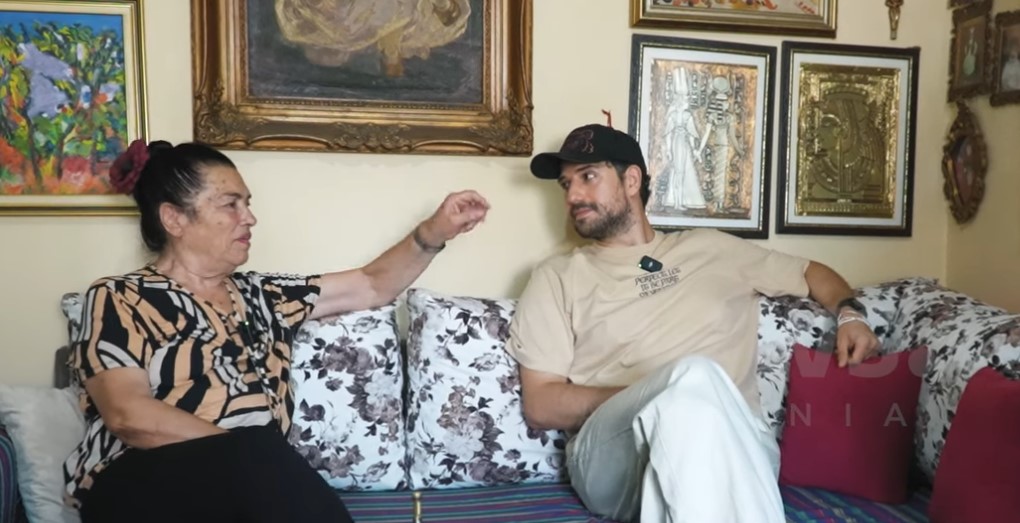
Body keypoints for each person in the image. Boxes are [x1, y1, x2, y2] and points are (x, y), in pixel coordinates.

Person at [63, 139, 489, 523]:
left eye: (247, 203)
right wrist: (247, 455)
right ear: (174, 218)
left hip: (247, 489)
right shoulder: (121, 296)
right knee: (261, 449)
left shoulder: (264, 295)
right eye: (230, 204)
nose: (249, 218)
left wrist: (434, 232)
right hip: (138, 484)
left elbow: (372, 284)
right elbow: (128, 415)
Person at [505, 123, 879, 523]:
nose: (573, 196)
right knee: (694, 377)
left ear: (631, 181)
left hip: (736, 441)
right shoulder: (558, 276)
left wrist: (850, 314)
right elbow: (542, 404)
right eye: (566, 184)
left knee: (693, 395)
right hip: (614, 454)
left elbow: (810, 273)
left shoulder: (712, 248)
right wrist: (660, 395)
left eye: (588, 176)